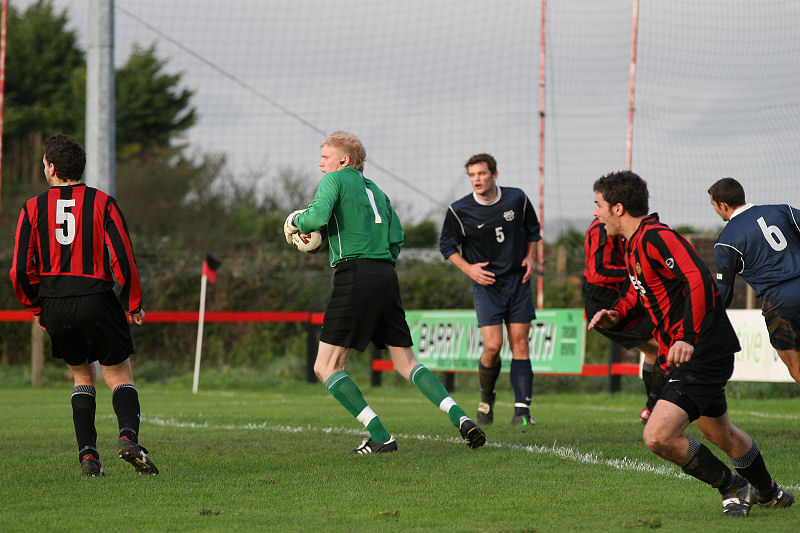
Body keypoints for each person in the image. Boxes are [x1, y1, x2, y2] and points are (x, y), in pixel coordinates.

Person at [588, 170, 793, 517]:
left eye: (598, 205)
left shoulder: (657, 237)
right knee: (723, 435)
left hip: (701, 352)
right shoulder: (633, 243)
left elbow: (698, 280)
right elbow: (640, 290)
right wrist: (617, 312)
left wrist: (686, 336)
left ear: (618, 208)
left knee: (658, 436)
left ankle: (733, 486)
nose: (595, 213)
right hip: (696, 352)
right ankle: (769, 492)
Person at [283, 131, 485, 454]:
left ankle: (380, 435)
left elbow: (317, 217)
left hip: (354, 275)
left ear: (343, 160)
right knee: (407, 362)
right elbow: (396, 237)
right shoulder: (377, 191)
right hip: (386, 275)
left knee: (325, 367)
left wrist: (295, 220)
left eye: (325, 156)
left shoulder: (334, 181)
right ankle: (460, 417)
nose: (320, 163)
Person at [10, 135, 158, 477]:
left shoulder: (32, 208)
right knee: (119, 373)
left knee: (80, 374)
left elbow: (19, 268)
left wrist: (38, 308)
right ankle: (127, 437)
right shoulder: (103, 203)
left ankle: (89, 457)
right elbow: (123, 258)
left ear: (50, 167)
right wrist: (132, 302)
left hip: (56, 303)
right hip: (97, 298)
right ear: (81, 167)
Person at [439, 153, 540, 426]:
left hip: (517, 281)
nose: (477, 180)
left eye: (482, 174)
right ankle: (487, 396)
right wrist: (469, 269)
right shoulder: (459, 210)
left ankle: (522, 412)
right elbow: (447, 247)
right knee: (493, 346)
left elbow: (533, 230)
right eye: (472, 175)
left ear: (495, 174)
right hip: (486, 286)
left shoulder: (517, 198)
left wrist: (531, 257)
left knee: (520, 342)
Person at [708, 177, 800, 384]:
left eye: (714, 205)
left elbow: (724, 293)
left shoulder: (726, 241)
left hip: (780, 302)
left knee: (797, 367)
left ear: (723, 205)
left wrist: (707, 322)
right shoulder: (782, 211)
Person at [582, 217, 665, 423]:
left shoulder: (628, 231)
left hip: (617, 299)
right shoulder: (601, 229)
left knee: (655, 350)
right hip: (604, 302)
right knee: (663, 345)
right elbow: (599, 272)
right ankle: (656, 409)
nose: (595, 210)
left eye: (598, 204)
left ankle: (653, 410)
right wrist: (635, 272)